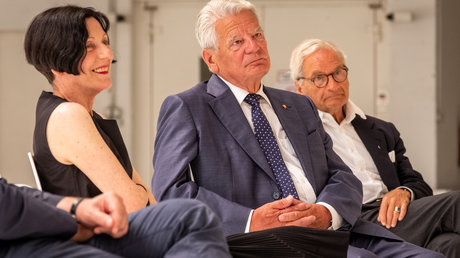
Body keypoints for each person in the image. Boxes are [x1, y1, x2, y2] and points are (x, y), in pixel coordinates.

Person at [152, 0, 444, 257]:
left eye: (257, 34)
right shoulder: (189, 107)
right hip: (261, 241)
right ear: (211, 59)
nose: (254, 46)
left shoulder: (298, 105)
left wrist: (326, 212)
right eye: (237, 42)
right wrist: (251, 219)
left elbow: (342, 175)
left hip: (334, 228)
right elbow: (171, 192)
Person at [290, 38, 460, 257]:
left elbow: (417, 183)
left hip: (397, 216)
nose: (333, 85)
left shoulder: (380, 129)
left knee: (451, 244)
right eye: (319, 78)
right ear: (300, 87)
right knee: (456, 203)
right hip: (353, 222)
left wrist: (404, 192)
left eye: (338, 73)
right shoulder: (299, 135)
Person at [25, 5, 154, 212]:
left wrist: (140, 193)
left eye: (105, 41)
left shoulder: (88, 115)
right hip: (102, 242)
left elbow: (148, 202)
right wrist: (140, 193)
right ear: (57, 60)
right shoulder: (69, 116)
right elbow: (134, 203)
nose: (107, 54)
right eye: (89, 46)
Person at [0, 176, 230, 257]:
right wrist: (71, 223)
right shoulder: (69, 114)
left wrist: (77, 207)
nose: (108, 62)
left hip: (34, 224)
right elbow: (134, 199)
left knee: (190, 217)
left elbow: (7, 191)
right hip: (16, 243)